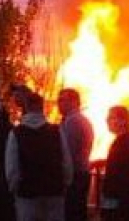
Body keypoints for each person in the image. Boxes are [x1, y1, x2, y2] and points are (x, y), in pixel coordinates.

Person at [6, 91, 72, 221]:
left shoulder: (16, 133)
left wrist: (14, 188)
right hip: (53, 192)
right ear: (42, 107)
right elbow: (66, 162)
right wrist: (65, 183)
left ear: (26, 107)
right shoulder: (56, 131)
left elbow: (12, 167)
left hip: (27, 194)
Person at [100, 105, 129, 221]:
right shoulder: (123, 143)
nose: (107, 121)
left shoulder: (127, 144)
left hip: (120, 203)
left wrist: (124, 203)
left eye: (111, 118)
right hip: (120, 202)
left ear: (123, 121)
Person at [57, 88, 94, 221]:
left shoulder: (73, 121)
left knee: (72, 213)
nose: (59, 104)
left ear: (74, 102)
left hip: (75, 175)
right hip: (80, 173)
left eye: (62, 100)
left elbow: (68, 152)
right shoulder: (80, 120)